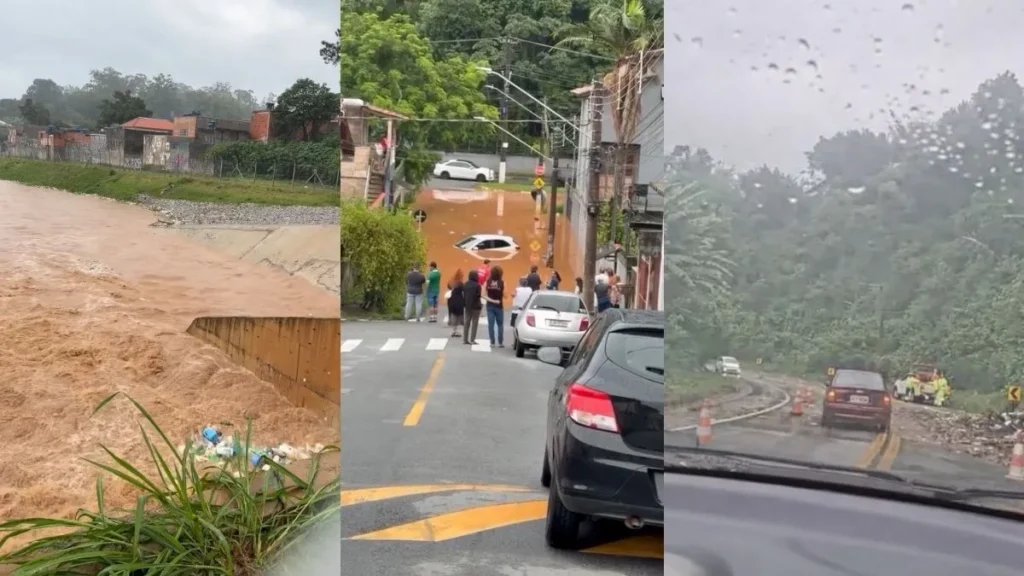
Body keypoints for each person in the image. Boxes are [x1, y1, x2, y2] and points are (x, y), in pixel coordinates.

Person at [484, 265, 506, 348]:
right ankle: (500, 342)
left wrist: (492, 300)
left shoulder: (487, 282)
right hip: (499, 306)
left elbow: (483, 295)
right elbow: (505, 295)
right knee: (500, 324)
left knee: (491, 324)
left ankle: (492, 342)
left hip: (490, 306)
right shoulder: (502, 282)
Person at [462, 270, 482, 345]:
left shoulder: (465, 284)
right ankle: (472, 340)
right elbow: (479, 295)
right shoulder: (477, 285)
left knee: (466, 323)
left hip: (467, 306)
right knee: (475, 323)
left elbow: (463, 295)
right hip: (476, 306)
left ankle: (465, 339)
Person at [446, 269, 465, 338]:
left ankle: (454, 330)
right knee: (458, 315)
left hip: (451, 300)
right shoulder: (461, 283)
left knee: (453, 314)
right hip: (459, 300)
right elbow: (463, 292)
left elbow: (448, 287)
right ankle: (456, 330)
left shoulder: (451, 281)